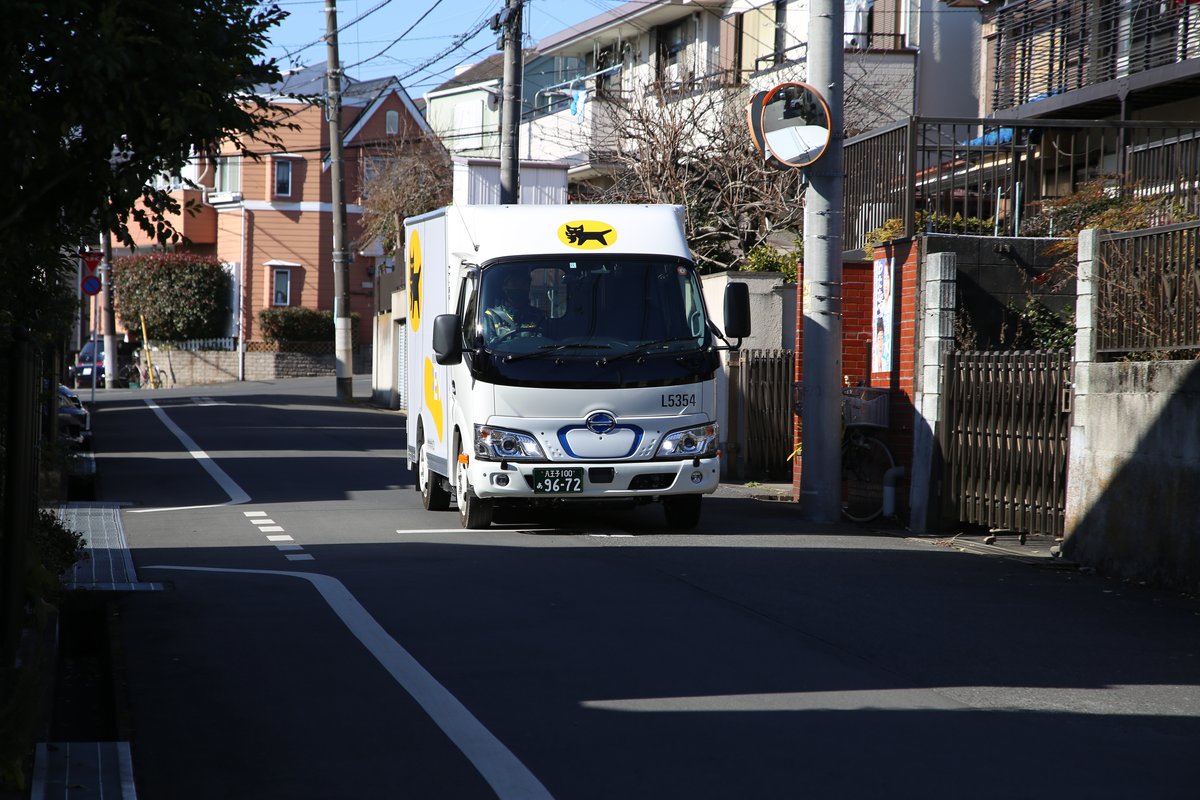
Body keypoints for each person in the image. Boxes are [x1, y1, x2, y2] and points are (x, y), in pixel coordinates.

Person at [483, 270, 544, 342]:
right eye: (515, 283)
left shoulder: (538, 316)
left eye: (523, 284)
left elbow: (546, 342)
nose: (519, 288)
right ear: (505, 287)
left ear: (528, 287)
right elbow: (487, 345)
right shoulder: (491, 315)